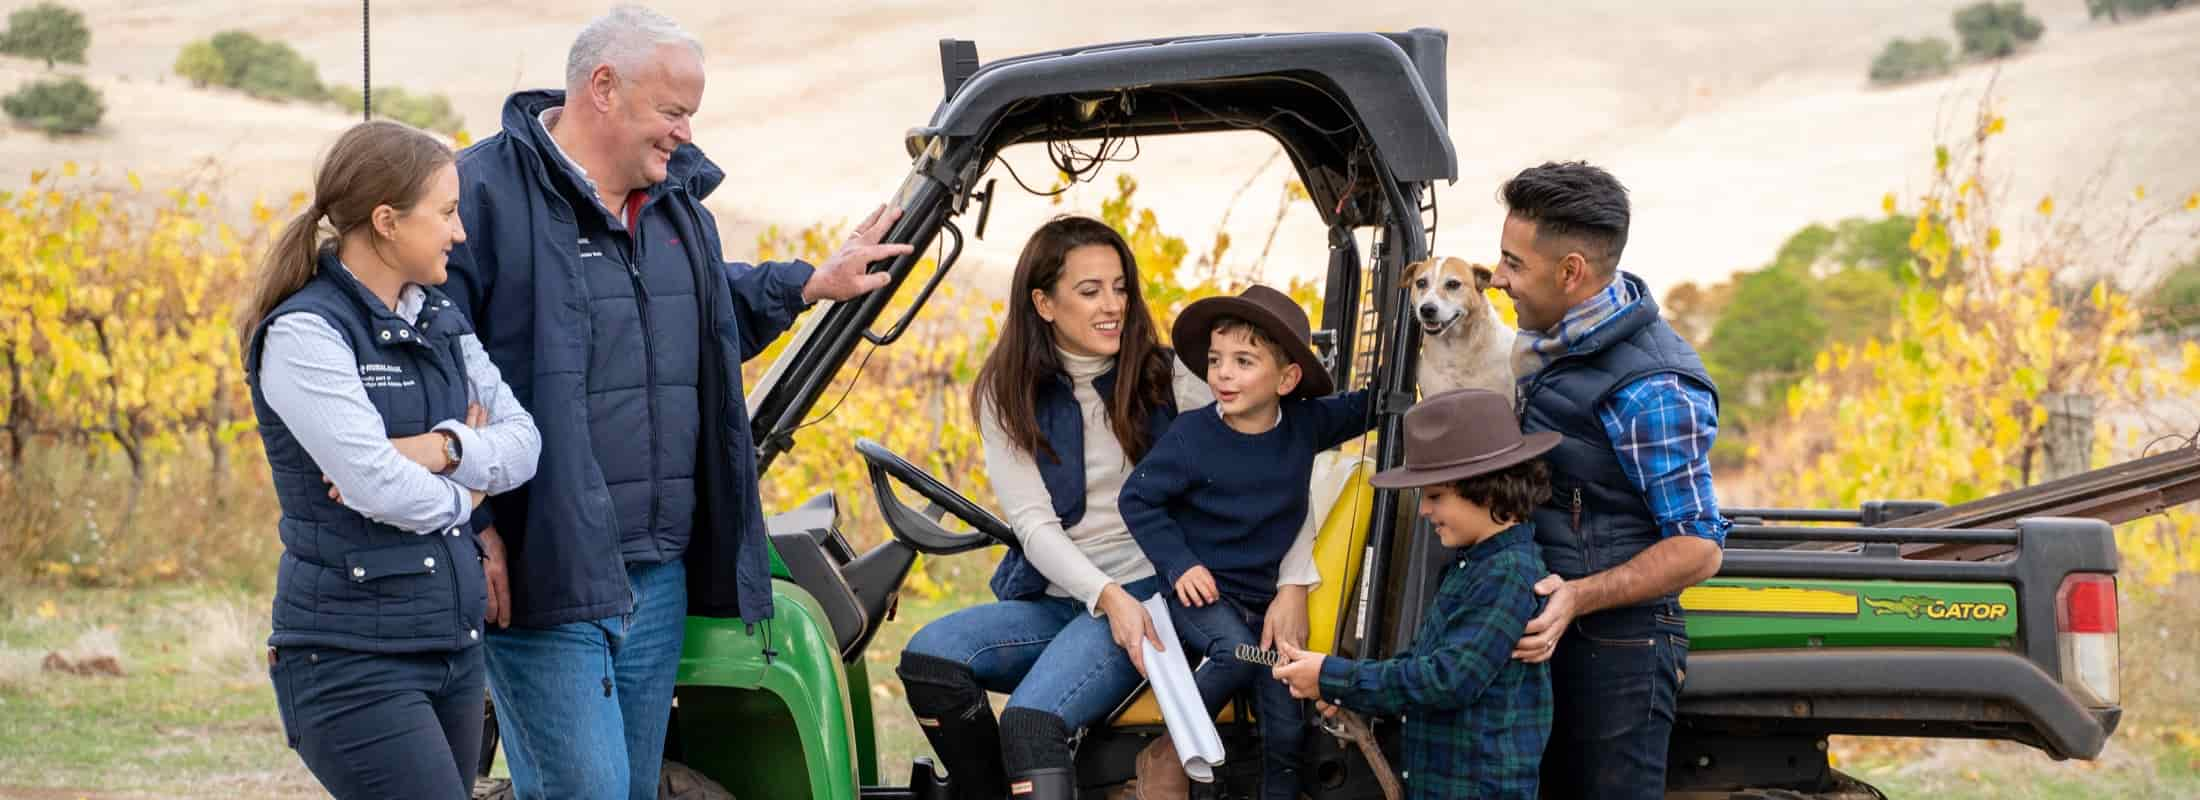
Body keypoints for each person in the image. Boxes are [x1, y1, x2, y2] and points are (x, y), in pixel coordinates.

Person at [437, 6, 907, 797]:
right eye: (674, 111)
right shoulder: (479, 197)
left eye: (691, 114)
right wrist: (476, 528)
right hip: (547, 568)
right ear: (604, 90)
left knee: (629, 787)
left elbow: (701, 310)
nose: (686, 134)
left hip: (656, 575)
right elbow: (432, 373)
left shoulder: (676, 210)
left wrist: (809, 284)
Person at [898, 217, 1325, 800]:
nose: (1113, 305)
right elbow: (1033, 525)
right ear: (1043, 303)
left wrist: (1293, 580)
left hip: (1150, 598)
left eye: (1120, 288)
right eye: (1090, 290)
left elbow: (1280, 462)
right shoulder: (1007, 392)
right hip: (1067, 595)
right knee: (931, 659)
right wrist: (1103, 596)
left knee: (1030, 724)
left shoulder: (1169, 374)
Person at [240, 119, 541, 799]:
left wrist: (444, 448)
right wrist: (465, 497)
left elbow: (525, 443)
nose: (459, 233)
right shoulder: (305, 334)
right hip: (350, 660)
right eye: (445, 212)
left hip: (452, 650)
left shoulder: (438, 319)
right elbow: (378, 487)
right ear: (386, 221)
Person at [1488, 161, 1728, 798]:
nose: (1498, 278)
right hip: (1562, 635)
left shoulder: (1652, 388)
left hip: (1617, 649)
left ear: (1571, 271)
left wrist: (1576, 596)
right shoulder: (1552, 346)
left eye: (1514, 263)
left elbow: (1698, 547)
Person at [1118, 283, 1374, 800]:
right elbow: (1137, 499)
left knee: (1286, 727)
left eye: (1243, 361)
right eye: (1215, 360)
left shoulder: (1304, 425)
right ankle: (1169, 750)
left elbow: (1370, 407)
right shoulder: (1193, 437)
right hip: (1203, 594)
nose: (1224, 374)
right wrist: (1180, 564)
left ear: (1287, 379)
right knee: (1234, 654)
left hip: (1264, 604)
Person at [1273, 388, 1556, 799]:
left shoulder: (1507, 575)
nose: (1423, 509)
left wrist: (1333, 676)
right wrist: (1342, 686)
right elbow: (1425, 660)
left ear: (1490, 491)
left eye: (1435, 495)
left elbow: (1446, 680)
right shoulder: (1474, 566)